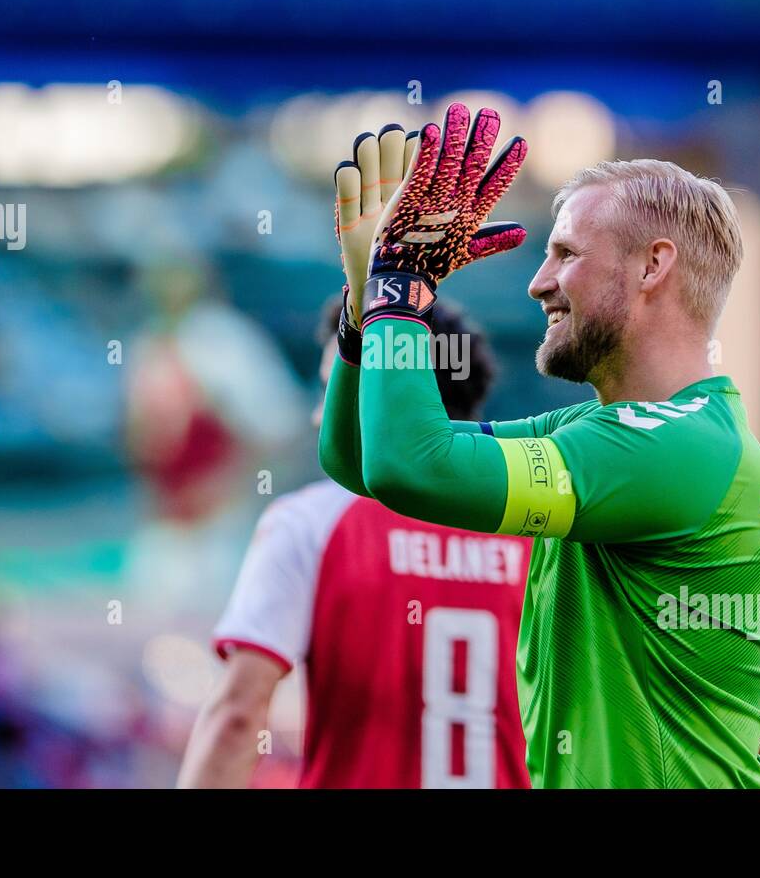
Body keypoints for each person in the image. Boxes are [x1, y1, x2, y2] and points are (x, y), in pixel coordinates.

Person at [320, 104, 760, 788]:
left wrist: (402, 291)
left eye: (565, 254)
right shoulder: (615, 435)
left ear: (654, 266)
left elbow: (409, 466)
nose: (539, 283)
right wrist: (368, 315)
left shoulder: (671, 447)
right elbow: (362, 461)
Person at [178, 297, 532, 788]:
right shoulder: (539, 535)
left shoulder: (310, 524)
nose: (317, 417)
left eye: (332, 389)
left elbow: (237, 716)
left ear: (382, 396)